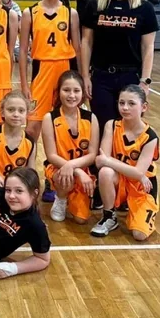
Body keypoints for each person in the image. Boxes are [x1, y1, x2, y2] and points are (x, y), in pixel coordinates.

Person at [80, 0, 158, 132]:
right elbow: (86, 43)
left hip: (131, 78)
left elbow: (148, 47)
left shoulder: (145, 8)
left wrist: (145, 81)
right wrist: (85, 76)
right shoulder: (95, 5)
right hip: (101, 78)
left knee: (127, 130)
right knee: (102, 128)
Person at [19, 0, 81, 148]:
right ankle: (29, 166)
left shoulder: (71, 13)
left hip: (66, 70)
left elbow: (78, 49)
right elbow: (22, 50)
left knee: (67, 125)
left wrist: (83, 79)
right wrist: (24, 84)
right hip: (41, 71)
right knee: (32, 127)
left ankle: (61, 165)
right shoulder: (29, 13)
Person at [94, 85, 159, 241]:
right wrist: (108, 162)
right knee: (105, 172)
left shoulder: (150, 137)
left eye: (131, 104)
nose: (125, 107)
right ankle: (109, 216)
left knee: (139, 235)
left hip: (142, 186)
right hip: (121, 180)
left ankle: (136, 210)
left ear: (144, 107)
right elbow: (101, 161)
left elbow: (138, 173)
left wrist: (109, 160)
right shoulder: (111, 125)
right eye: (121, 103)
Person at [41, 70, 100, 225]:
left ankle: (74, 198)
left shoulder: (91, 118)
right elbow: (51, 156)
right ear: (58, 92)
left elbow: (92, 154)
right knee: (66, 176)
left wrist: (74, 167)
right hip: (58, 168)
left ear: (83, 93)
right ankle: (60, 198)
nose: (71, 95)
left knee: (81, 219)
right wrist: (75, 169)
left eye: (76, 91)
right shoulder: (49, 118)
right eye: (66, 90)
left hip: (83, 169)